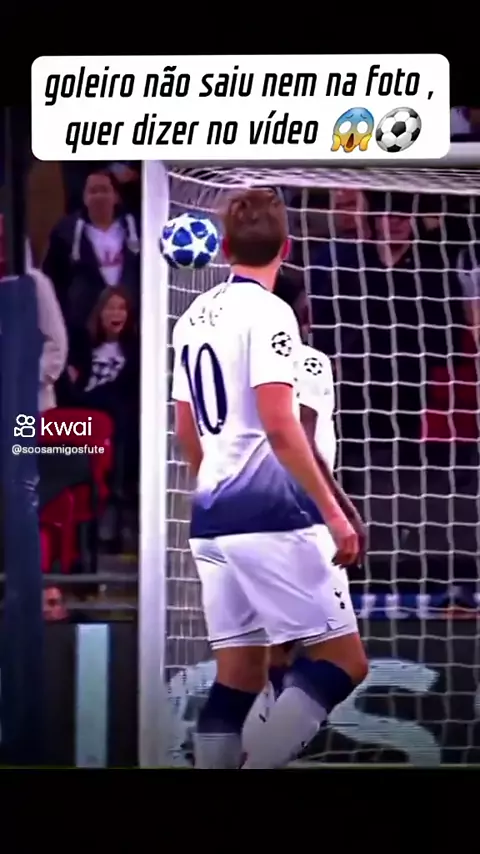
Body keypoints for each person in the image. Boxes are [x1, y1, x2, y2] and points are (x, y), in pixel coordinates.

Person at [171, 188, 368, 770]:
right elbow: (282, 425)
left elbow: (185, 428)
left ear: (224, 248)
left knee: (237, 680)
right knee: (343, 662)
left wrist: (217, 486)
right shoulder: (271, 312)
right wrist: (334, 514)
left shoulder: (191, 317)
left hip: (211, 519)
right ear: (286, 247)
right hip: (272, 517)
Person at [243, 272, 366, 752]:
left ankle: (245, 753)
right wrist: (342, 508)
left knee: (273, 651)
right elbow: (305, 440)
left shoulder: (242, 364)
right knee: (345, 663)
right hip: (298, 514)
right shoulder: (307, 360)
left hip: (245, 513)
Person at [42, 168, 140, 333]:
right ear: (84, 197)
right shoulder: (66, 232)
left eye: (104, 190)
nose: (99, 196)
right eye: (93, 191)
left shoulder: (136, 227)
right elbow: (53, 279)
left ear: (116, 196)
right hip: (83, 328)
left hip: (131, 328)